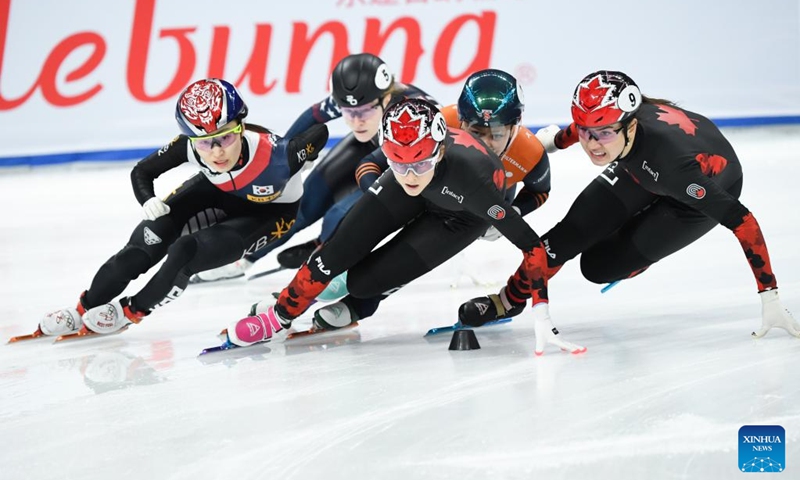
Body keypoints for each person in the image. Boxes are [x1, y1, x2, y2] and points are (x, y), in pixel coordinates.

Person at [221, 98, 585, 356]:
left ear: (440, 150)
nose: (411, 174)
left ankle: (342, 295)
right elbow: (376, 167)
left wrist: (541, 312)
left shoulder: (476, 182)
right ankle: (281, 310)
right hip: (418, 187)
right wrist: (280, 317)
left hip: (461, 215)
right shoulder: (408, 158)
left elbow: (533, 246)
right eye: (399, 162)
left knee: (364, 282)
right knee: (336, 250)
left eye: (419, 164)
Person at [460, 70, 799, 340]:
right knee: (568, 234)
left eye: (604, 134)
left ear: (630, 125)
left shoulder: (676, 169)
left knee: (598, 267)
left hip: (691, 196)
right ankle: (507, 301)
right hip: (639, 169)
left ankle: (636, 247)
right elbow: (587, 122)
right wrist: (556, 142)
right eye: (587, 134)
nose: (592, 145)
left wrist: (769, 295)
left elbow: (744, 222)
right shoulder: (610, 121)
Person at [36, 78, 328, 337]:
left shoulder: (278, 156)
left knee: (185, 252)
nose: (216, 152)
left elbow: (320, 132)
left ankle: (131, 311)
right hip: (217, 192)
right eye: (204, 143)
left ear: (240, 127)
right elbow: (142, 171)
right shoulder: (187, 145)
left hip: (269, 213)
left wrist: (302, 156)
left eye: (225, 137)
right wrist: (148, 200)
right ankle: (83, 307)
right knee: (144, 243)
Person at [311, 68, 553, 323]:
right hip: (423, 186)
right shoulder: (440, 120)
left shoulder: (531, 153)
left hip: (473, 205)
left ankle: (360, 305)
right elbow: (371, 163)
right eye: (475, 132)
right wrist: (374, 197)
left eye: (496, 135)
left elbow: (541, 192)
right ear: (460, 120)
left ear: (516, 128)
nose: (484, 142)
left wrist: (514, 211)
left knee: (414, 253)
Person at [192, 53, 437, 282]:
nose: (356, 120)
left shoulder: (415, 111)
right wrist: (282, 158)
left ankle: (327, 249)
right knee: (303, 202)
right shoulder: (361, 99)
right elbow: (313, 116)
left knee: (339, 215)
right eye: (347, 112)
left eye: (364, 111)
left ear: (386, 99)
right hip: (369, 147)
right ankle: (243, 258)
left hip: (403, 161)